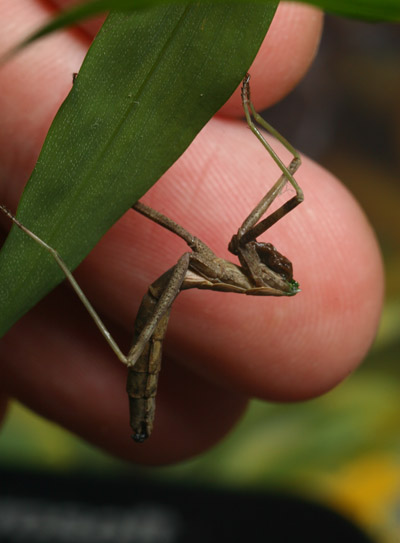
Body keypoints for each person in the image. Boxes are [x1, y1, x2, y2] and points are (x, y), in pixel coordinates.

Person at [0, 1, 384, 464]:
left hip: (177, 294)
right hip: (189, 275)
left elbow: (252, 245)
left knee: (134, 351)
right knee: (256, 197)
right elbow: (250, 232)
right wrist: (248, 111)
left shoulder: (266, 282)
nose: (269, 251)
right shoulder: (254, 268)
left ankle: (48, 248)